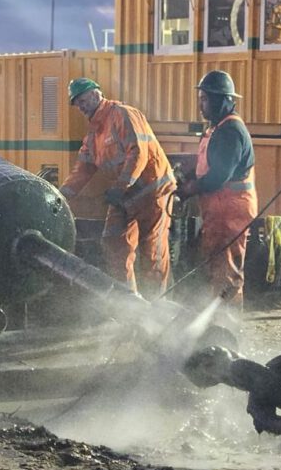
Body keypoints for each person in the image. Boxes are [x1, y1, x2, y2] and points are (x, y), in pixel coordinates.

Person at [59, 78, 176, 299]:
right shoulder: (94, 134)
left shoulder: (123, 115)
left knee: (152, 253)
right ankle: (129, 304)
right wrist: (60, 196)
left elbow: (138, 153)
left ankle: (158, 307)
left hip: (152, 192)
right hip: (125, 195)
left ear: (96, 95)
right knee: (113, 243)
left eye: (82, 101)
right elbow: (83, 170)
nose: (81, 107)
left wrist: (121, 186)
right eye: (77, 104)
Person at [177, 70, 257, 307]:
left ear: (223, 100)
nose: (201, 105)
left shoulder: (230, 131)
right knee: (218, 268)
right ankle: (217, 321)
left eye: (205, 99)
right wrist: (190, 177)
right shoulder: (217, 128)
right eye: (200, 99)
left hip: (230, 212)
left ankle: (226, 327)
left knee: (227, 272)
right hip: (220, 210)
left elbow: (218, 176)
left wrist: (190, 189)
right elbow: (207, 167)